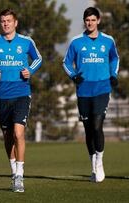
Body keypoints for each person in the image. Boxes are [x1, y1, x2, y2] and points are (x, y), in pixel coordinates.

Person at [0, 9, 42, 192]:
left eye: (9, 21)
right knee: (8, 137)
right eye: (3, 21)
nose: (6, 24)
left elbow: (38, 58)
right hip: (2, 96)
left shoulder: (26, 41)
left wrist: (29, 71)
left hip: (22, 93)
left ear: (15, 23)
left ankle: (20, 176)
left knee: (18, 133)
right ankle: (13, 169)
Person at [62, 7, 119, 183]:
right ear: (84, 21)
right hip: (83, 90)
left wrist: (113, 74)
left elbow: (114, 58)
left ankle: (100, 161)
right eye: (87, 20)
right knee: (88, 129)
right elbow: (66, 62)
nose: (90, 23)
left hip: (102, 88)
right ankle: (92, 163)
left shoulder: (108, 41)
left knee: (97, 125)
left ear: (98, 21)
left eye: (93, 20)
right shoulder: (76, 41)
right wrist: (74, 76)